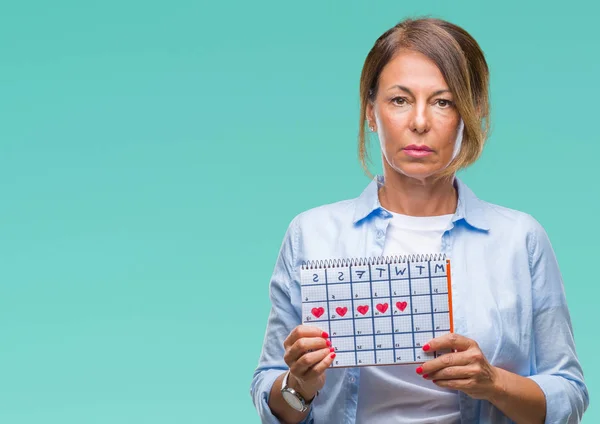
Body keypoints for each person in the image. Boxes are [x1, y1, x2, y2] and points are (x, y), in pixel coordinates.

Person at [250, 17, 589, 424]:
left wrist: (492, 382)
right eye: (399, 100)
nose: (420, 121)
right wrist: (299, 385)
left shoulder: (520, 239)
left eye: (443, 101)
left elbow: (568, 393)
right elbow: (270, 396)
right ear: (370, 112)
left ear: (472, 113)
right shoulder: (311, 234)